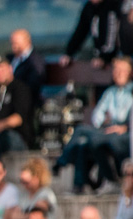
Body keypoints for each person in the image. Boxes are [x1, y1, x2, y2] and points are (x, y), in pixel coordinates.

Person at [54, 57, 133, 195]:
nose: (118, 73)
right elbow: (97, 117)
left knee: (92, 139)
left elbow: (123, 118)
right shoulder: (110, 92)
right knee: (82, 140)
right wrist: (104, 122)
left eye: (122, 70)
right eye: (116, 70)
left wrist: (124, 127)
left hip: (125, 133)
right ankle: (80, 185)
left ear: (130, 72)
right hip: (106, 130)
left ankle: (61, 163)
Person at [59, 0, 121, 69]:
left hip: (118, 61)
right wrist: (68, 53)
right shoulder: (89, 7)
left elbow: (112, 35)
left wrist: (105, 57)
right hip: (100, 61)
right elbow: (80, 32)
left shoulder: (115, 5)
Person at [9, 29, 46, 104]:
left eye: (16, 42)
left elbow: (34, 84)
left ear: (26, 41)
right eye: (12, 42)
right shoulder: (11, 58)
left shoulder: (34, 61)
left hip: (25, 101)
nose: (13, 45)